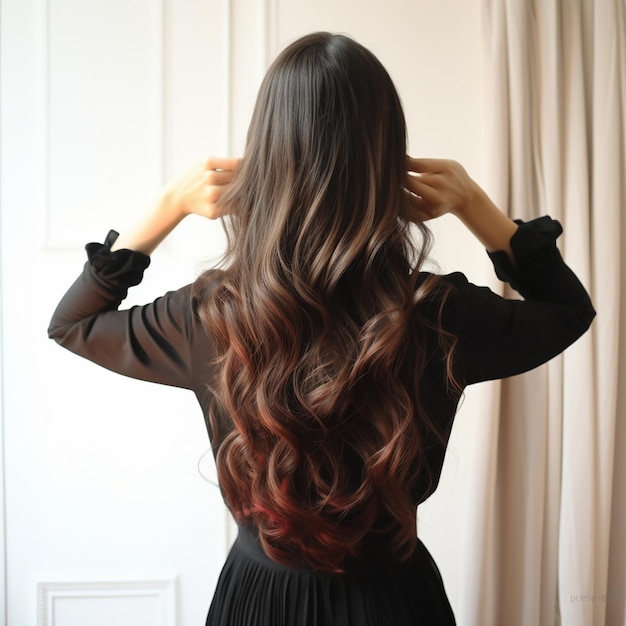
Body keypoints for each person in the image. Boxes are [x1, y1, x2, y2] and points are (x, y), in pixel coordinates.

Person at [48, 32, 595, 626]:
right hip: (396, 603)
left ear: (265, 158)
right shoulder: (438, 313)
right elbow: (567, 310)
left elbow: (74, 323)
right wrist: (475, 206)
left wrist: (168, 206)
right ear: (387, 158)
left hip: (258, 604)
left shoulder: (212, 315)